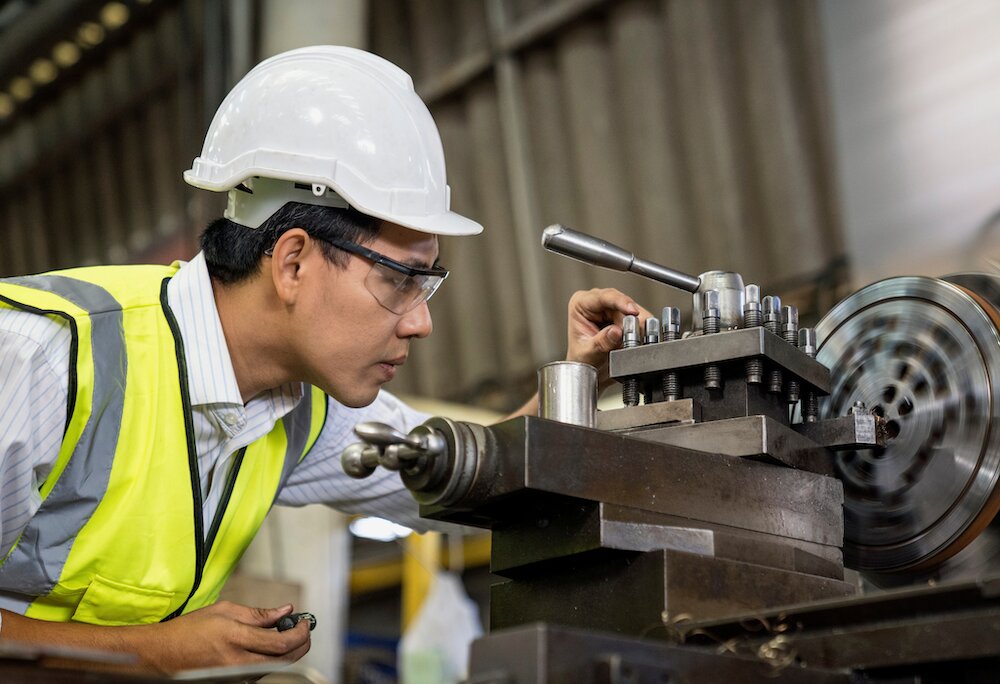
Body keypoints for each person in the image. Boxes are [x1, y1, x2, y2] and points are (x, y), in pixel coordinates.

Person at [0, 46, 646, 673]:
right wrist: (157, 651)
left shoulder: (300, 411)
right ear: (293, 261)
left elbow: (474, 483)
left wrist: (579, 379)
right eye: (401, 280)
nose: (421, 323)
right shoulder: (47, 357)